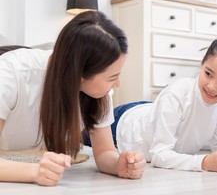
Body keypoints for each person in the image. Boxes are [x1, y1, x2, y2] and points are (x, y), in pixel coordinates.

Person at [0, 11, 145, 186]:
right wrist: (35, 171)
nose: (118, 84)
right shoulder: (10, 73)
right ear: (79, 74)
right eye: (112, 77)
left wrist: (118, 164)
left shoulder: (98, 93)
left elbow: (104, 151)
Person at [107, 33, 217, 171]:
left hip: (152, 112)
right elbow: (159, 155)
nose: (212, 86)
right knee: (85, 127)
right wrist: (202, 162)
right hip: (123, 126)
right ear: (202, 63)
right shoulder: (177, 93)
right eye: (208, 73)